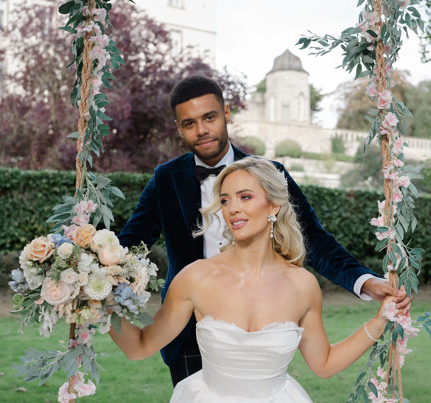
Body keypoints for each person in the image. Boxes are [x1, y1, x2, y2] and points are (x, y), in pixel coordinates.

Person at [76, 157, 425, 403]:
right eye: (225, 200)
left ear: (273, 206)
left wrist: (378, 323)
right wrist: (97, 299)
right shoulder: (197, 277)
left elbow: (324, 364)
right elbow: (138, 347)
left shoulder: (302, 285)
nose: (232, 209)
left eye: (245, 197)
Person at [118, 75, 412, 387]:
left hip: (264, 320)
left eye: (210, 117)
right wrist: (89, 275)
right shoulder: (166, 179)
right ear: (179, 128)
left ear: (227, 114)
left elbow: (316, 241)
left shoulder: (270, 176)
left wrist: (364, 282)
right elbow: (129, 245)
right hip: (189, 332)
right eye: (189, 123)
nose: (202, 130)